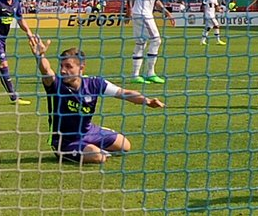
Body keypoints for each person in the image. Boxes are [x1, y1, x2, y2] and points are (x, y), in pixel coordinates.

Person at [28, 37, 165, 164]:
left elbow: (124, 93)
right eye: (62, 66)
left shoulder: (94, 84)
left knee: (125, 146)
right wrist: (40, 56)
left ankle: (91, 144)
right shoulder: (56, 85)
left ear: (81, 68)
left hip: (89, 132)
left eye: (68, 66)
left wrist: (147, 101)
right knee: (98, 157)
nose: (63, 71)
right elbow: (46, 71)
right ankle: (76, 151)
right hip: (65, 140)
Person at [125, 0, 175, 84]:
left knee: (141, 43)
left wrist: (167, 13)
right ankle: (150, 73)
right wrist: (128, 9)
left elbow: (155, 0)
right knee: (156, 39)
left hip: (144, 13)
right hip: (142, 13)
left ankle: (135, 75)